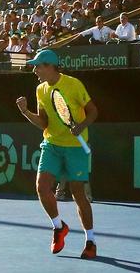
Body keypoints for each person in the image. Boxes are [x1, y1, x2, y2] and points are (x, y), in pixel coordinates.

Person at [16, 49, 98, 259]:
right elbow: (44, 122)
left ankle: (90, 241)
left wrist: (82, 126)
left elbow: (93, 111)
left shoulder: (74, 84)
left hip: (75, 147)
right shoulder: (40, 90)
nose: (35, 70)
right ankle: (58, 227)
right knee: (41, 187)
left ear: (50, 66)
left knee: (78, 194)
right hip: (51, 144)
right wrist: (26, 112)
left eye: (38, 66)